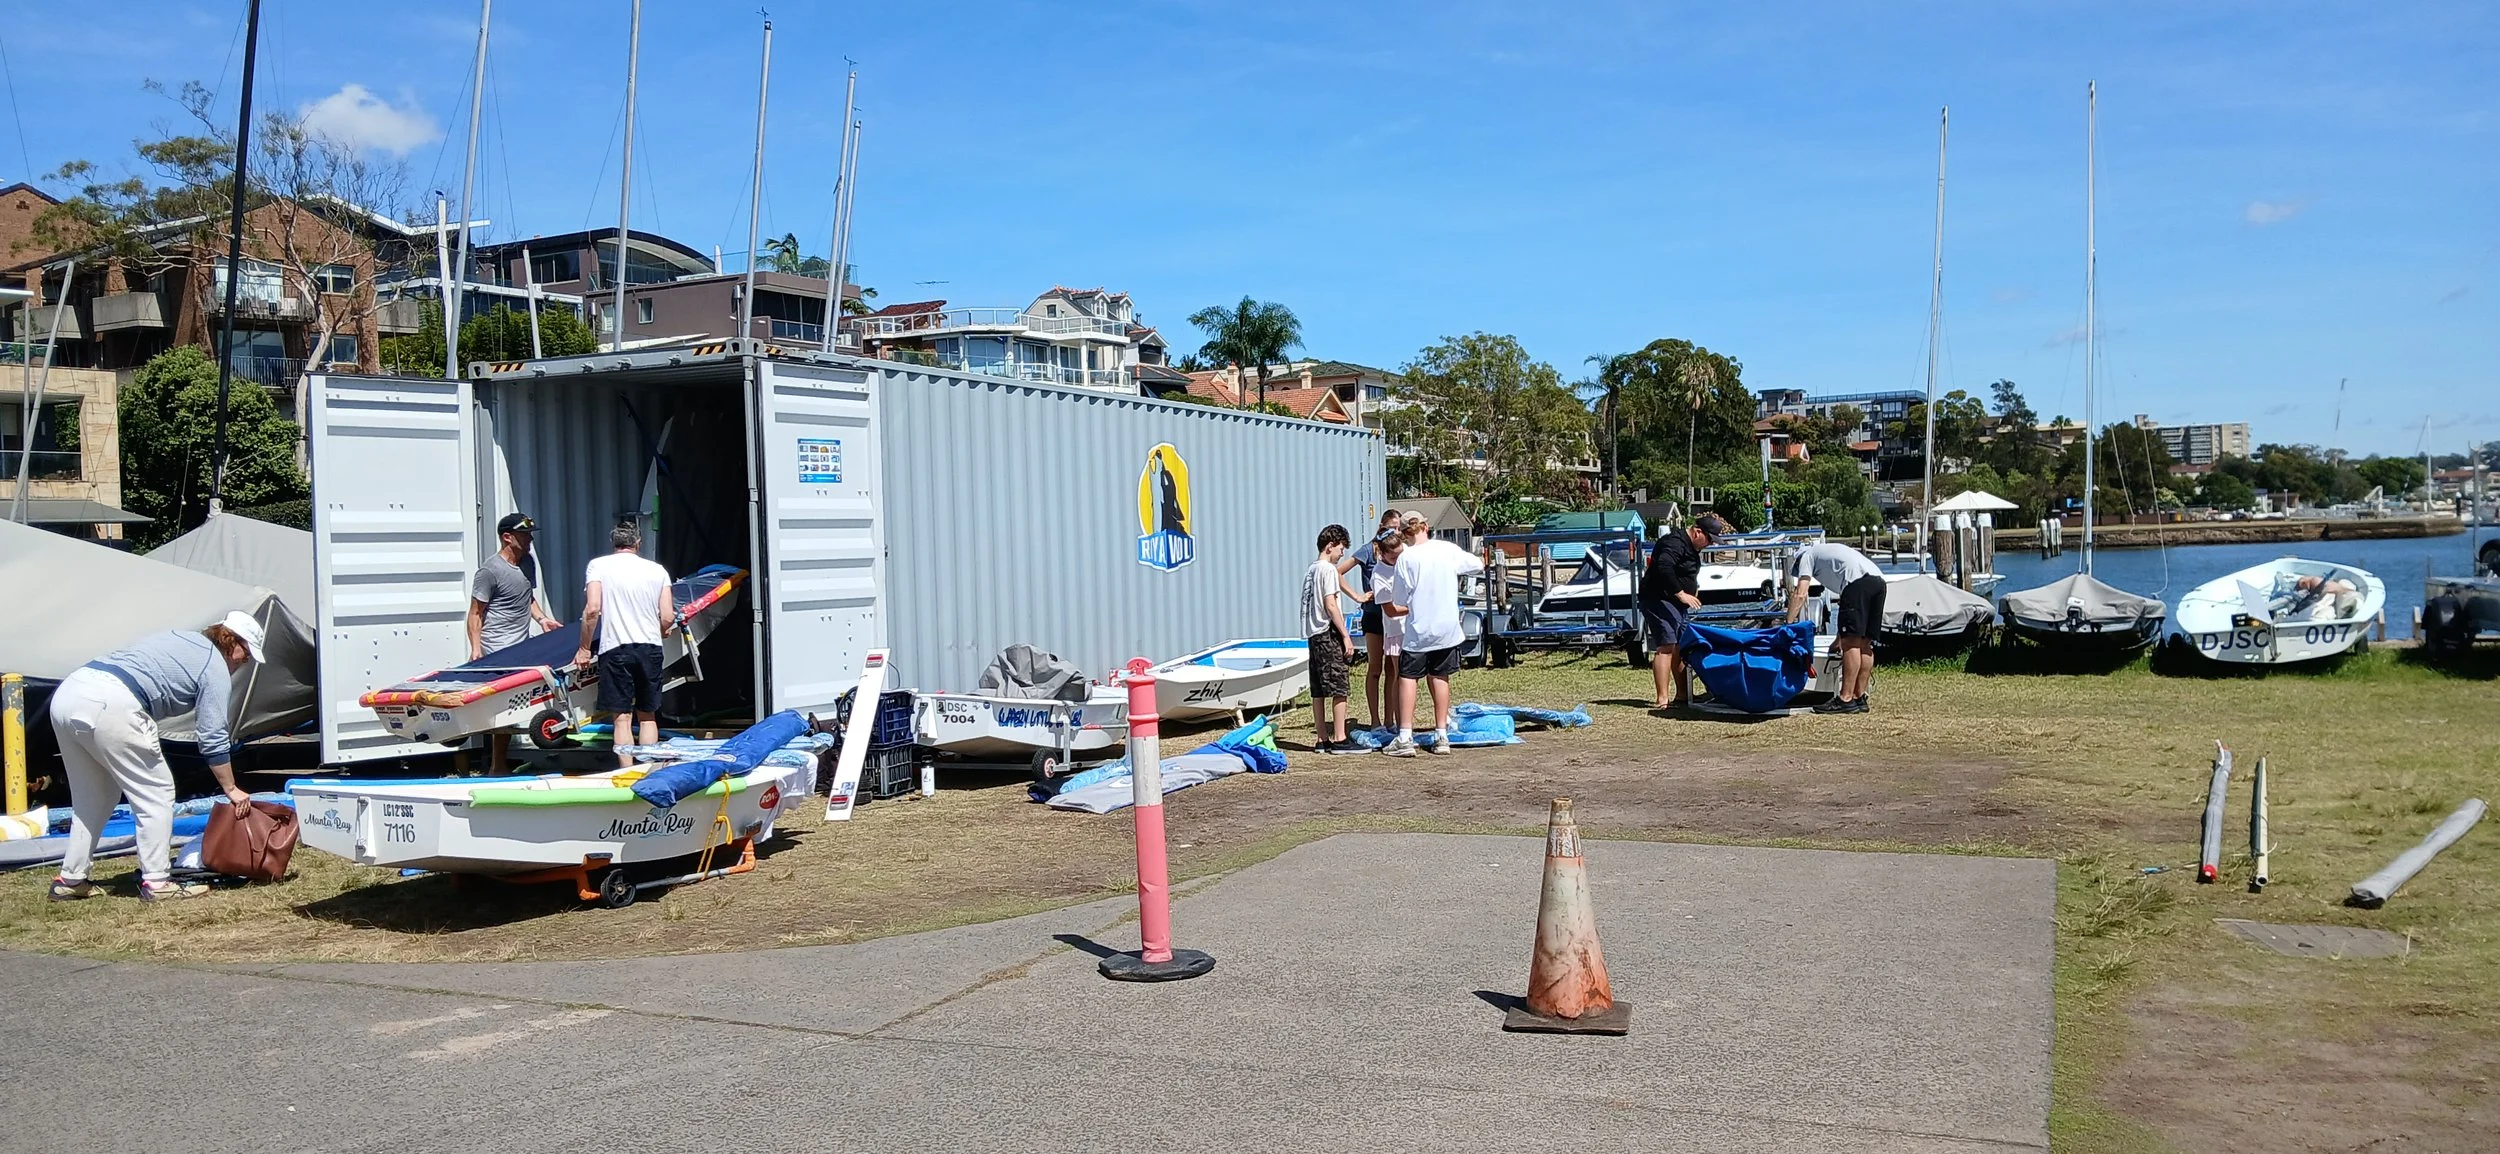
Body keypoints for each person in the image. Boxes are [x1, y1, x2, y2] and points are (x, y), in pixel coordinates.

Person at [46, 613, 266, 901]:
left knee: (93, 797)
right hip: (112, 703)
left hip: (70, 692)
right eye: (246, 657)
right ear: (234, 644)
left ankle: (71, 879)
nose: (243, 664)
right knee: (157, 793)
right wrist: (231, 788)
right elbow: (212, 735)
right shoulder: (214, 667)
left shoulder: (181, 637)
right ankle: (158, 882)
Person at [1380, 512, 1484, 757]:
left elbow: (1399, 598)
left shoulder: (1406, 558)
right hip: (1447, 628)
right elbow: (1477, 565)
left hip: (1419, 629)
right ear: (1426, 526)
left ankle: (1405, 736)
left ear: (1402, 533)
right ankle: (1441, 734)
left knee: (1408, 677)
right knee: (1440, 677)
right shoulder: (1446, 549)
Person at [467, 512, 562, 770]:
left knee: (516, 706)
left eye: (530, 534)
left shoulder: (528, 562)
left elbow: (527, 598)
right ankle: (497, 766)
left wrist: (542, 619)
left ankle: (499, 765)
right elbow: (475, 613)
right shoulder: (490, 570)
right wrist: (476, 649)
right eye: (524, 534)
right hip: (497, 647)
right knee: (502, 708)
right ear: (507, 537)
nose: (530, 539)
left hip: (521, 645)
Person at [577, 523, 676, 767]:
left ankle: (626, 771)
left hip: (616, 647)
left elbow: (592, 609)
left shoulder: (598, 566)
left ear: (613, 543)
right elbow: (667, 616)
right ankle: (648, 768)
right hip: (650, 647)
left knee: (621, 717)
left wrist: (584, 648)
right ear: (638, 543)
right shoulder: (658, 570)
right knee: (647, 715)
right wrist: (662, 631)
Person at [1785, 540, 1886, 714]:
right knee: (1864, 644)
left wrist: (1787, 625)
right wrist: (1838, 640)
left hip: (1857, 585)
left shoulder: (1807, 556)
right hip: (1878, 583)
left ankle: (1845, 699)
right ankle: (1859, 697)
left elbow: (1801, 593)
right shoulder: (1827, 553)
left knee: (1851, 645)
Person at [1641, 514, 1728, 709]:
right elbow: (1664, 567)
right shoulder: (1674, 543)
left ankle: (1683, 695)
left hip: (1676, 603)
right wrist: (1681, 594)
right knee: (1666, 645)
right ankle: (1662, 699)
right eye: (1709, 539)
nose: (1710, 544)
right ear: (1697, 532)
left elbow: (1686, 571)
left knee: (1682, 646)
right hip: (1659, 599)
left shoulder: (1692, 547)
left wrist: (1693, 588)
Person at [1335, 508, 1402, 729]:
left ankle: (1390, 720)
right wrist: (1357, 596)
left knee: (1393, 670)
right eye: (1392, 527)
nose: (1396, 531)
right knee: (1375, 668)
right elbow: (1337, 572)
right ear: (1382, 527)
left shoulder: (1400, 551)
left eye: (1399, 528)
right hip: (1374, 616)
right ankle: (1375, 720)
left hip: (1394, 618)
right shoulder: (1368, 550)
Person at [1302, 525, 1357, 753]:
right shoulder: (1328, 570)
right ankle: (1340, 737)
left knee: (1318, 689)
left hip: (1313, 634)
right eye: (1341, 549)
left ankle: (1322, 738)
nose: (1342, 554)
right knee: (1339, 686)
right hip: (1328, 632)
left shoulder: (1311, 570)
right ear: (1330, 546)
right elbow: (1331, 604)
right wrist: (1345, 636)